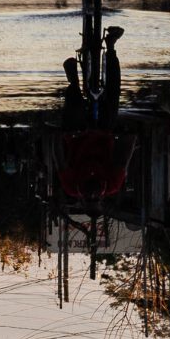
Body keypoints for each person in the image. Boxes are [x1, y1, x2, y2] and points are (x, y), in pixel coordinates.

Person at [58, 25, 134, 205]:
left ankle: (74, 82)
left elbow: (58, 159)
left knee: (74, 104)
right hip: (103, 133)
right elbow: (124, 159)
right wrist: (130, 138)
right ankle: (111, 45)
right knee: (113, 96)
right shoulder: (113, 185)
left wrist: (58, 137)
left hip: (77, 135)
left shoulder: (70, 186)